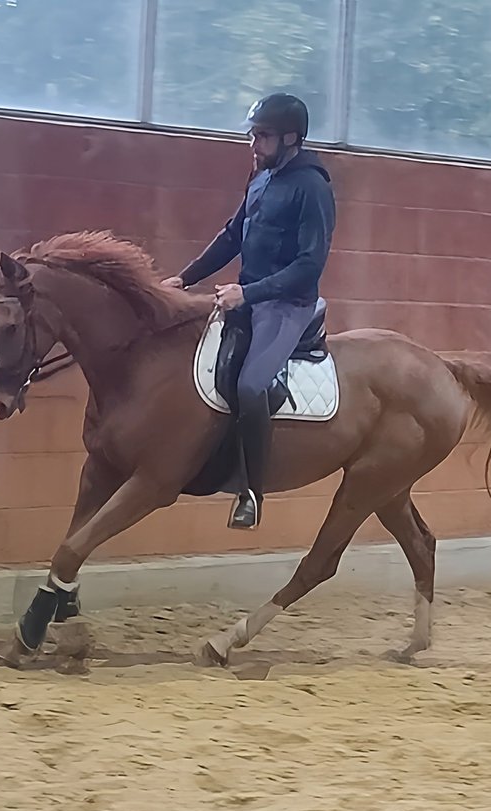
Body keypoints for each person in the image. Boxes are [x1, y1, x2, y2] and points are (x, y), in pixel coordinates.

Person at [162, 93, 336, 530]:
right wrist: (183, 279)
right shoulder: (260, 177)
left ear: (291, 138)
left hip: (286, 305)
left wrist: (249, 293)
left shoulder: (313, 187)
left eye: (262, 136)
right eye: (252, 135)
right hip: (249, 297)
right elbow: (231, 236)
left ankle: (252, 493)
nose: (253, 144)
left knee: (253, 385)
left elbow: (309, 265)